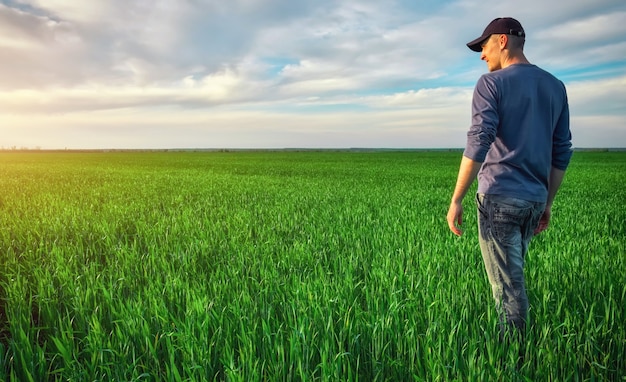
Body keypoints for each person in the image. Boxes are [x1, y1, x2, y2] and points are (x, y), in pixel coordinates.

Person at [446, 17, 573, 341]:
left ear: (502, 41)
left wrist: (457, 198)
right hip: (532, 201)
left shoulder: (491, 84)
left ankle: (511, 362)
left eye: (484, 46)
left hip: (499, 199)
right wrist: (547, 203)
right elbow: (561, 151)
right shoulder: (556, 87)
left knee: (508, 291)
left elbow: (479, 138)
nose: (481, 55)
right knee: (512, 281)